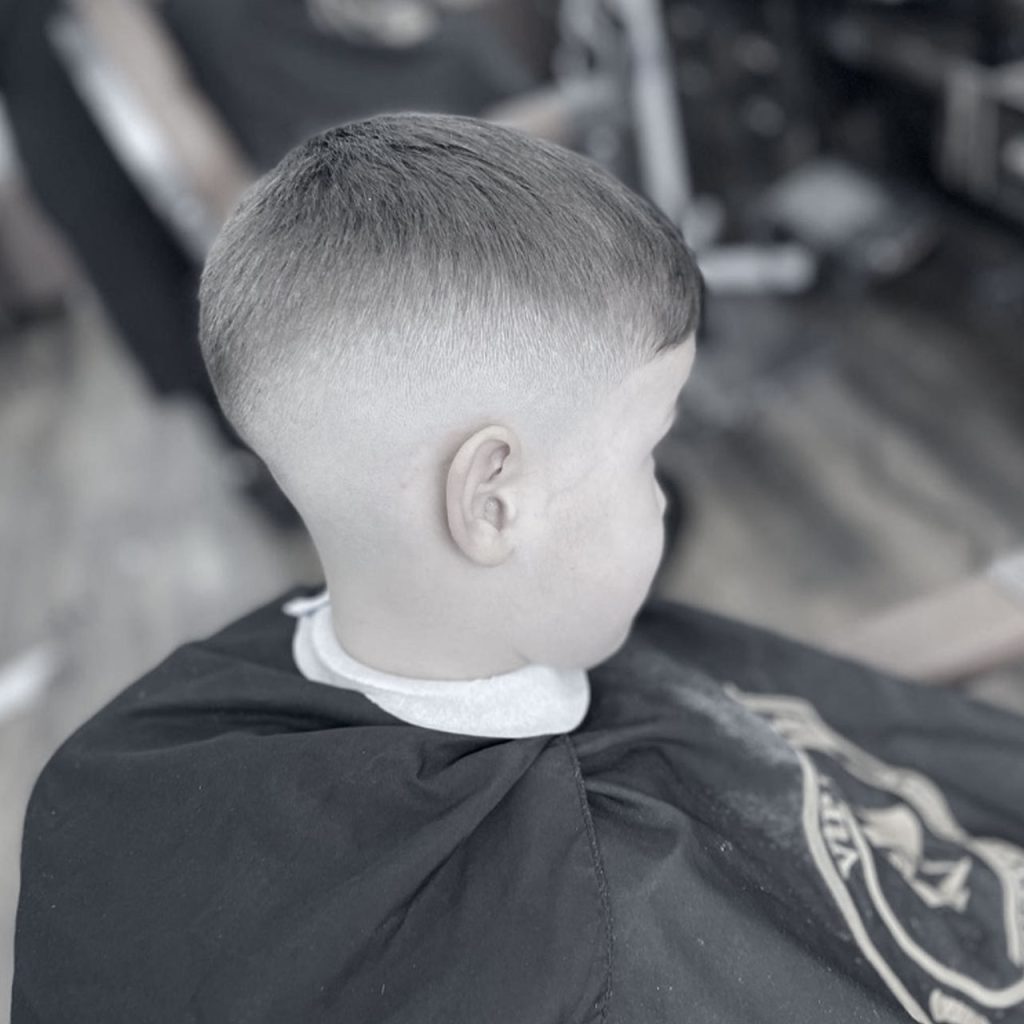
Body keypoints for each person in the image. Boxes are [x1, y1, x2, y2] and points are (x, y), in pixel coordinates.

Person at [12, 114, 1024, 1024]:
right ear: (492, 501)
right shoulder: (579, 969)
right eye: (649, 453)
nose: (662, 498)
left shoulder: (155, 753)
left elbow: (741, 713)